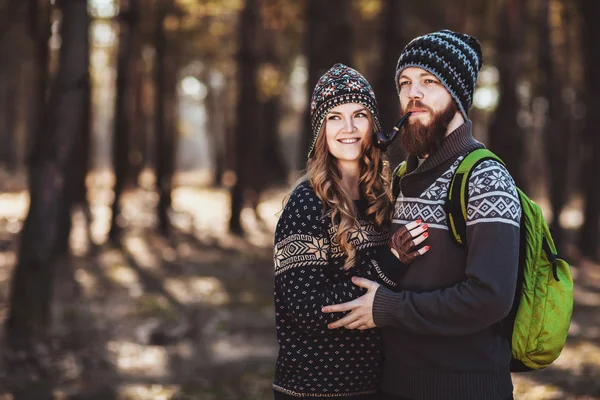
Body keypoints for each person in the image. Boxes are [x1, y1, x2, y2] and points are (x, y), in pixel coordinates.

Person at [322, 30, 522, 400]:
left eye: (429, 81)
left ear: (458, 95)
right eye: (405, 82)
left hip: (466, 388)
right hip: (394, 385)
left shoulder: (485, 177)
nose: (413, 93)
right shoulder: (400, 179)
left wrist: (389, 309)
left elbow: (490, 298)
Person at [272, 63, 428, 399]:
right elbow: (306, 309)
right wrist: (390, 263)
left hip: (373, 385)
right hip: (312, 389)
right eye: (334, 117)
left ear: (373, 124)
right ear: (320, 130)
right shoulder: (306, 203)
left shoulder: (382, 197)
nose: (349, 127)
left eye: (359, 115)